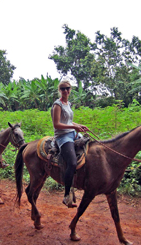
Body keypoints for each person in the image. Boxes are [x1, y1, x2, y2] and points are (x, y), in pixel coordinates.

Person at [51, 80, 89, 208]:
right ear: (59, 90)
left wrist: (78, 125)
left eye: (67, 88)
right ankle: (67, 195)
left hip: (73, 133)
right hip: (62, 136)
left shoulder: (68, 104)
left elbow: (69, 121)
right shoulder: (57, 104)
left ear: (70, 89)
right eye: (63, 89)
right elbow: (57, 124)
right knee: (72, 162)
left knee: (90, 148)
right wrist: (74, 128)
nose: (65, 91)